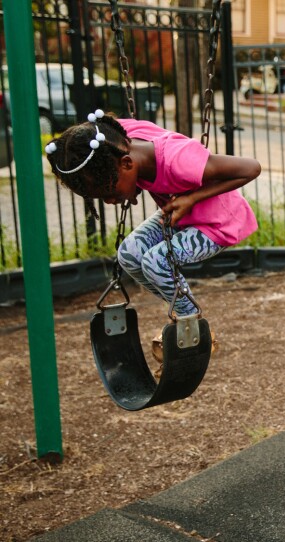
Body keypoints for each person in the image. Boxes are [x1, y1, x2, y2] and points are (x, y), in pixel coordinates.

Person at [45, 110, 261, 370]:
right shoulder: (115, 140)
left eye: (109, 192)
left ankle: (191, 325)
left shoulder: (177, 159)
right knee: (129, 254)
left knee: (156, 261)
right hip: (178, 216)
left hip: (216, 224)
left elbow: (251, 168)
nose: (110, 202)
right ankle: (182, 309)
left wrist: (191, 198)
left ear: (127, 164)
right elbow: (99, 130)